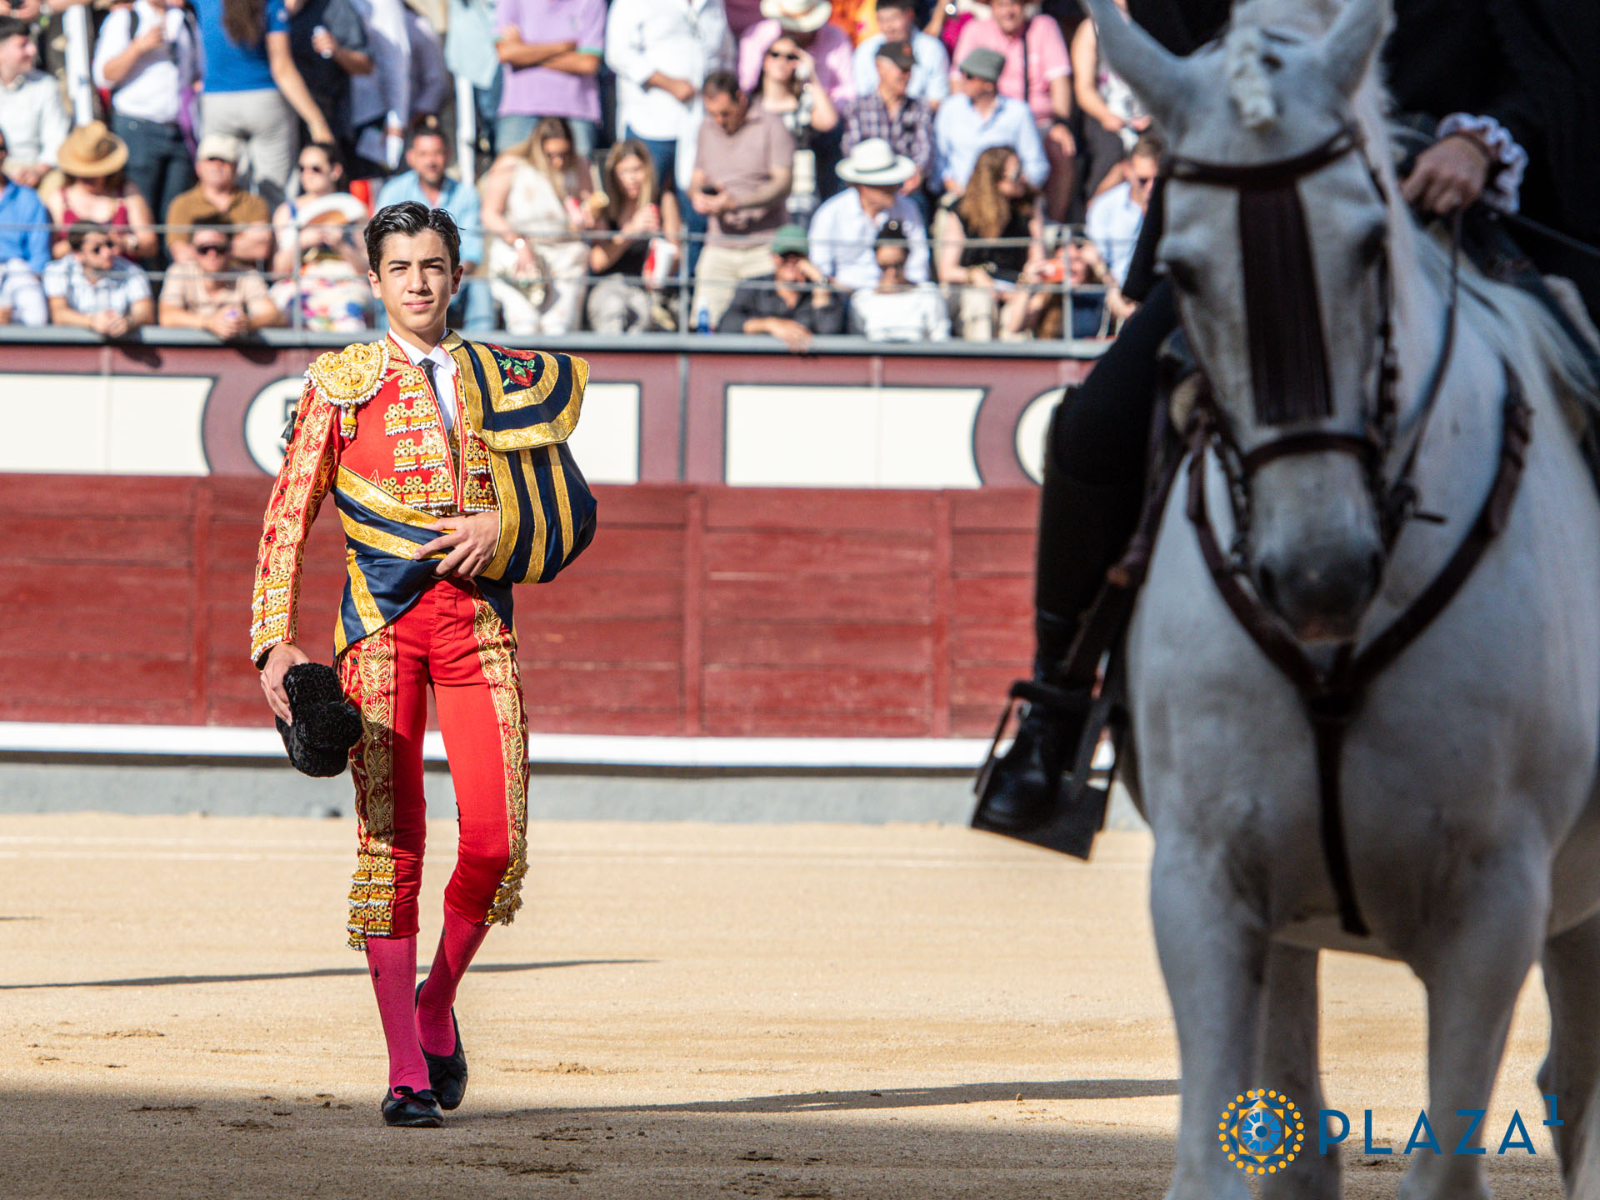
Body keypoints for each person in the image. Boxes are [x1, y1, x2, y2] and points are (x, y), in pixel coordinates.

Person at [973, 0, 1600, 849]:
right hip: (1263, 195)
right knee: (1100, 421)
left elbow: (1561, 48)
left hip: (1450, 201)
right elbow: (1180, 28)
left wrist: (1484, 139)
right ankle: (1055, 713)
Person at [249, 200, 595, 1129]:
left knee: (496, 843)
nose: (419, 281)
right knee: (391, 845)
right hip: (379, 630)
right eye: (400, 267)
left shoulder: (506, 378)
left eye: (434, 264)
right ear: (375, 280)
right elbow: (288, 514)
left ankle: (436, 1002)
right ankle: (406, 1069)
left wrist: (502, 526)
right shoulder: (339, 382)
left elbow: (572, 512)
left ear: (457, 273)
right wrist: (272, 639)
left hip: (478, 622)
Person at [190, 0, 333, 207]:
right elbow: (282, 67)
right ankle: (274, 237)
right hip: (266, 103)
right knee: (276, 193)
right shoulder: (271, 4)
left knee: (223, 189)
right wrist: (317, 122)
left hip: (217, 103)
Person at [686, 71, 793, 326]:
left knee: (764, 325)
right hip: (720, 245)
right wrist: (697, 197)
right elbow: (696, 179)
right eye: (713, 113)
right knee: (704, 324)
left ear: (741, 98)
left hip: (763, 245)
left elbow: (783, 183)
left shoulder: (772, 125)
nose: (719, 120)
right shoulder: (707, 128)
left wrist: (737, 203)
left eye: (725, 113)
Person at [950, 0, 1073, 219]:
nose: (1008, 11)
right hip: (992, 117)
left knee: (1061, 147)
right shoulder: (975, 31)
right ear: (991, 7)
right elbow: (958, 81)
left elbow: (1060, 80)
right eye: (1001, 5)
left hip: (1038, 122)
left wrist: (1061, 123)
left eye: (1014, 4)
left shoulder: (1043, 27)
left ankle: (1053, 224)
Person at [604, 0, 732, 207]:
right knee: (646, 204)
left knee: (697, 207)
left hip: (702, 125)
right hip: (651, 123)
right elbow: (618, 52)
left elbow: (725, 54)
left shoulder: (713, 4)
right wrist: (667, 83)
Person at [91, 0, 201, 234]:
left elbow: (197, 70)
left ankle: (172, 268)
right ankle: (144, 270)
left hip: (178, 128)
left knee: (176, 215)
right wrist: (138, 48)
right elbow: (104, 76)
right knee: (141, 213)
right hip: (136, 128)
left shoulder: (185, 20)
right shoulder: (125, 19)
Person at [480, 115, 597, 335]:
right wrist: (518, 241)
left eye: (563, 154)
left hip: (565, 257)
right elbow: (490, 213)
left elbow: (590, 208)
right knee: (524, 326)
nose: (558, 162)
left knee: (559, 330)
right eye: (551, 155)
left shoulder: (579, 164)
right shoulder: (511, 164)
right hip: (520, 254)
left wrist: (588, 216)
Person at [376, 121, 493, 332]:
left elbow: (472, 252)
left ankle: (480, 357)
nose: (431, 161)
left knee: (480, 288)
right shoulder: (394, 192)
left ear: (448, 155)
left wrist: (446, 283)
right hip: (404, 278)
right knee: (385, 284)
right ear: (411, 157)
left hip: (453, 280)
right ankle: (390, 354)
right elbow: (381, 248)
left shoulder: (466, 194)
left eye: (437, 153)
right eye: (424, 154)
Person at [936, 143, 1041, 340]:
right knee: (980, 304)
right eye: (1016, 174)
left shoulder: (1028, 208)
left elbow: (1037, 262)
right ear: (994, 180)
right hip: (975, 289)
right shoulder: (962, 210)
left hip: (1016, 287)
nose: (1023, 178)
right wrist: (975, 276)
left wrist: (1023, 287)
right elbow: (947, 270)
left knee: (1017, 318)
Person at [807, 136, 927, 293]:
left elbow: (919, 264)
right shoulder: (831, 214)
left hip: (901, 294)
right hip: (846, 298)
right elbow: (821, 267)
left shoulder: (908, 209)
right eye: (883, 184)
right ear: (862, 186)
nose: (893, 188)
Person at [586, 139, 679, 334]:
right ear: (614, 175)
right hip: (609, 284)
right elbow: (597, 261)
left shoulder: (663, 201)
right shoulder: (605, 206)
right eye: (624, 171)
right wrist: (630, 233)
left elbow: (676, 254)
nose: (632, 178)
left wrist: (659, 250)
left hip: (645, 290)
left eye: (637, 169)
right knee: (612, 307)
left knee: (642, 314)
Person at [493, 0, 605, 160]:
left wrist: (525, 51)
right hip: (521, 107)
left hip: (577, 110)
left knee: (576, 181)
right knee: (511, 174)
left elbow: (588, 63)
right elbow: (506, 53)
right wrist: (564, 47)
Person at [934, 47, 1047, 197]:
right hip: (960, 197)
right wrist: (953, 186)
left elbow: (1037, 165)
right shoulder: (950, 108)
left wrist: (1016, 186)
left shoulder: (1018, 113)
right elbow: (939, 161)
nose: (962, 79)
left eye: (969, 76)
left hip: (1005, 200)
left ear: (988, 84)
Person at [1068, 0, 1148, 213]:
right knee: (1111, 154)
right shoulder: (1090, 30)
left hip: (1148, 116)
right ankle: (1094, 217)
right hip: (1108, 116)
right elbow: (1083, 89)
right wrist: (1106, 116)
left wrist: (1154, 116)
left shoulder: (1153, 27)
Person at [840, 40, 934, 218]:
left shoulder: (920, 107)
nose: (907, 75)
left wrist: (916, 174)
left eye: (909, 70)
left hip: (905, 186)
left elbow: (924, 149)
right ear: (879, 67)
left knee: (918, 205)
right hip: (867, 182)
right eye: (902, 69)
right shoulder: (857, 108)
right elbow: (851, 150)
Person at [716, 222, 844, 350]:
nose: (792, 262)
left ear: (807, 258)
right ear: (774, 258)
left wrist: (820, 284)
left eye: (798, 257)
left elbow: (829, 331)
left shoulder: (819, 289)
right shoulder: (754, 286)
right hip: (761, 363)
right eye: (785, 256)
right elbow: (726, 324)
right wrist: (770, 324)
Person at [45, 123, 160, 264]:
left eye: (94, 172)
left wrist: (123, 243)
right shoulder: (59, 199)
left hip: (121, 277)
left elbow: (150, 245)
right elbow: (48, 251)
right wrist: (81, 244)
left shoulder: (127, 193)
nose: (88, 177)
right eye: (82, 172)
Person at [755, 29, 839, 219]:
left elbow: (829, 121)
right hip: (763, 194)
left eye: (791, 57)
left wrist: (811, 76)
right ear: (765, 60)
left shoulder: (804, 105)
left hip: (799, 199)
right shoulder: (752, 107)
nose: (782, 61)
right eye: (775, 54)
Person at [158, 213, 284, 336]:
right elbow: (167, 316)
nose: (212, 255)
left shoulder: (247, 275)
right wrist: (210, 323)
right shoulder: (179, 272)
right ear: (193, 250)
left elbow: (275, 316)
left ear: (231, 249)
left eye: (219, 248)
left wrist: (246, 323)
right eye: (204, 249)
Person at [165, 135, 275, 266]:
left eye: (224, 160)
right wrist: (234, 244)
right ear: (198, 166)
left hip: (241, 279)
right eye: (211, 160)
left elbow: (260, 249)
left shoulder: (254, 203)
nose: (217, 165)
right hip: (195, 279)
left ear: (235, 167)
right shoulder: (182, 204)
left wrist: (205, 246)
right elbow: (181, 254)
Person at [269, 191, 372, 331]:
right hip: (302, 280)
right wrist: (301, 242)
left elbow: (368, 270)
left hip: (345, 280)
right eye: (303, 169)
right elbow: (278, 272)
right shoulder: (287, 211)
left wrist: (341, 246)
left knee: (348, 309)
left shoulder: (354, 211)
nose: (308, 174)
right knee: (285, 303)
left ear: (335, 172)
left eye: (316, 169)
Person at [286, 0, 373, 159]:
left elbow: (365, 65)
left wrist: (336, 51)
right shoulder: (268, 6)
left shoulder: (335, 6)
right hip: (280, 117)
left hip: (327, 116)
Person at [42, 222, 156, 336]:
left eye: (109, 244)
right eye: (96, 249)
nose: (107, 252)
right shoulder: (58, 270)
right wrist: (91, 322)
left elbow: (145, 313)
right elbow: (58, 314)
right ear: (78, 255)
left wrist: (127, 322)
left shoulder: (130, 270)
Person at [739, 0, 855, 109]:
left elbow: (846, 93)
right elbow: (745, 85)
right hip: (765, 111)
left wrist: (814, 82)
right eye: (775, 55)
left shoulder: (836, 38)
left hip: (820, 115)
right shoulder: (757, 35)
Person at [848, 219, 949, 340]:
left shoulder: (928, 293)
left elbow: (940, 337)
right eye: (884, 266)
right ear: (875, 260)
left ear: (907, 257)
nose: (892, 273)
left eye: (898, 265)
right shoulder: (861, 299)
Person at [0, 15, 67, 188]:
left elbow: (56, 139)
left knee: (58, 185)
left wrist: (38, 171)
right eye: (23, 45)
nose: (33, 50)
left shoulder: (45, 85)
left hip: (33, 169)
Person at [1083, 132, 1157, 284]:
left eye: (1156, 180)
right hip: (1114, 291)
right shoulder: (1104, 206)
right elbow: (1096, 258)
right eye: (1143, 180)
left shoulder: (1175, 205)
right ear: (1127, 171)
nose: (1151, 187)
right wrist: (1114, 291)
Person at [850, 0, 947, 107]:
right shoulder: (865, 51)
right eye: (881, 20)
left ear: (910, 15)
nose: (888, 27)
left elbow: (937, 98)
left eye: (893, 19)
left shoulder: (932, 49)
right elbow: (862, 97)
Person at [0, 129, 46, 323]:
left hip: (16, 271)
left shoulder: (28, 198)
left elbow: (38, 255)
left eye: (0, 148)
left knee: (36, 319)